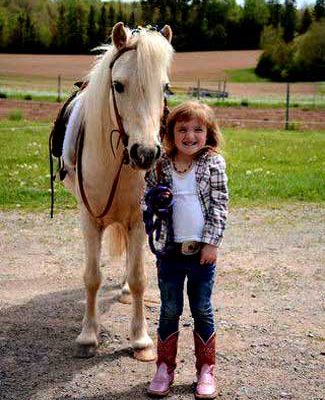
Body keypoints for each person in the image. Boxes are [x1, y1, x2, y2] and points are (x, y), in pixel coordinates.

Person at [143, 101, 229, 399]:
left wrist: (211, 243)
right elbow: (146, 200)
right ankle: (164, 367)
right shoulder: (160, 166)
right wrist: (153, 202)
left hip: (201, 254)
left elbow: (220, 206)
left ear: (208, 133)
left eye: (197, 129)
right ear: (171, 133)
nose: (189, 136)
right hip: (169, 252)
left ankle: (206, 369)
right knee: (169, 309)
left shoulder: (213, 164)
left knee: (202, 309)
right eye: (182, 129)